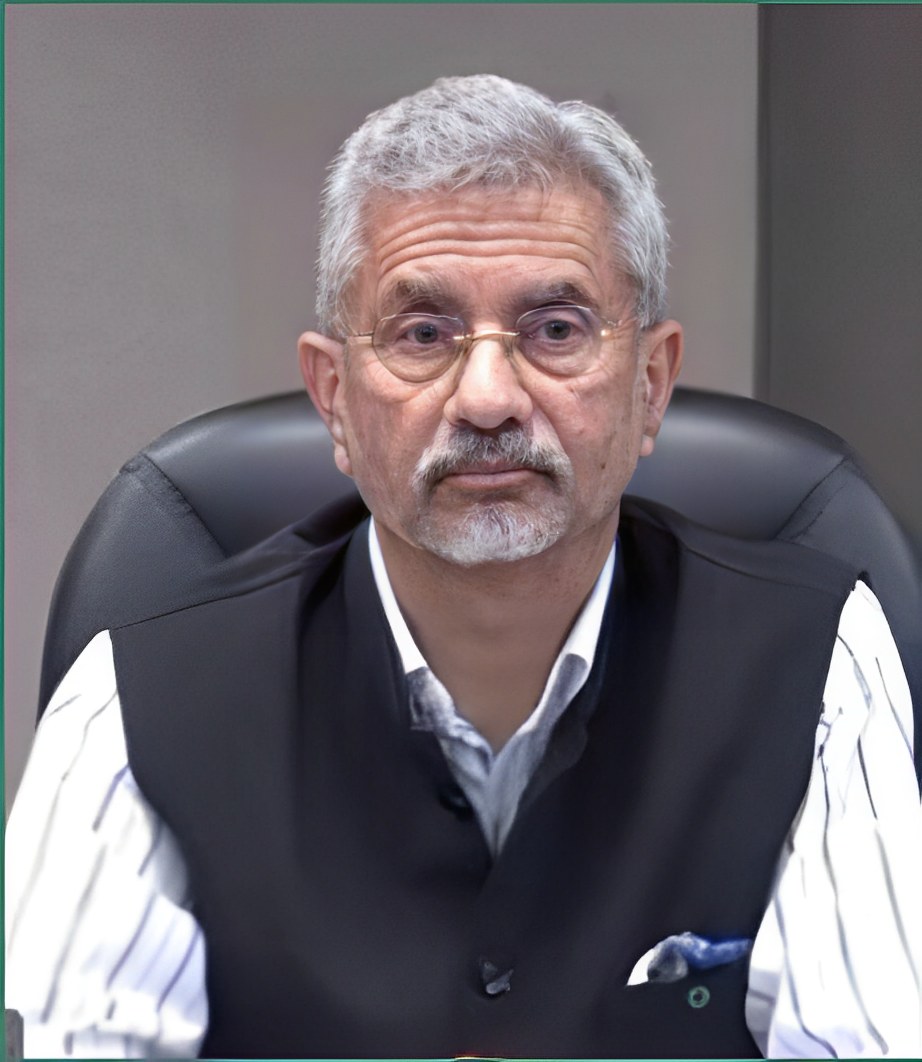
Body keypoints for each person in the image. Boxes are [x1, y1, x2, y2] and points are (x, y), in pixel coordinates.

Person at [5, 75, 921, 1059]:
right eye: (423, 335)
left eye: (555, 331)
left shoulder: (815, 663)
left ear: (649, 388)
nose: (487, 398)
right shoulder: (138, 697)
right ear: (335, 401)